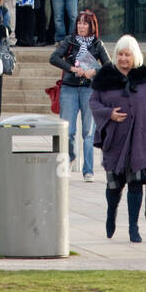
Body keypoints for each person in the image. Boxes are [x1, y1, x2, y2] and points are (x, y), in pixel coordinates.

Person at [90, 36, 146, 243]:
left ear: (135, 57)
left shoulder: (145, 79)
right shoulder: (105, 77)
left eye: (127, 55)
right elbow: (94, 104)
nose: (123, 59)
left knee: (135, 183)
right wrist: (109, 114)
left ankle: (134, 226)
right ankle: (111, 215)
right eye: (120, 55)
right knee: (114, 185)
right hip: (115, 140)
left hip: (139, 140)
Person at [50, 10, 110, 181]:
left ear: (92, 26)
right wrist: (72, 68)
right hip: (69, 87)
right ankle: (69, 157)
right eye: (79, 23)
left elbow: (108, 66)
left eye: (85, 23)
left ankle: (88, 170)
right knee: (67, 131)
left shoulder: (98, 44)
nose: (81, 26)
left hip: (89, 89)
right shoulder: (69, 41)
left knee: (88, 132)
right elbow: (54, 58)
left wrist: (94, 71)